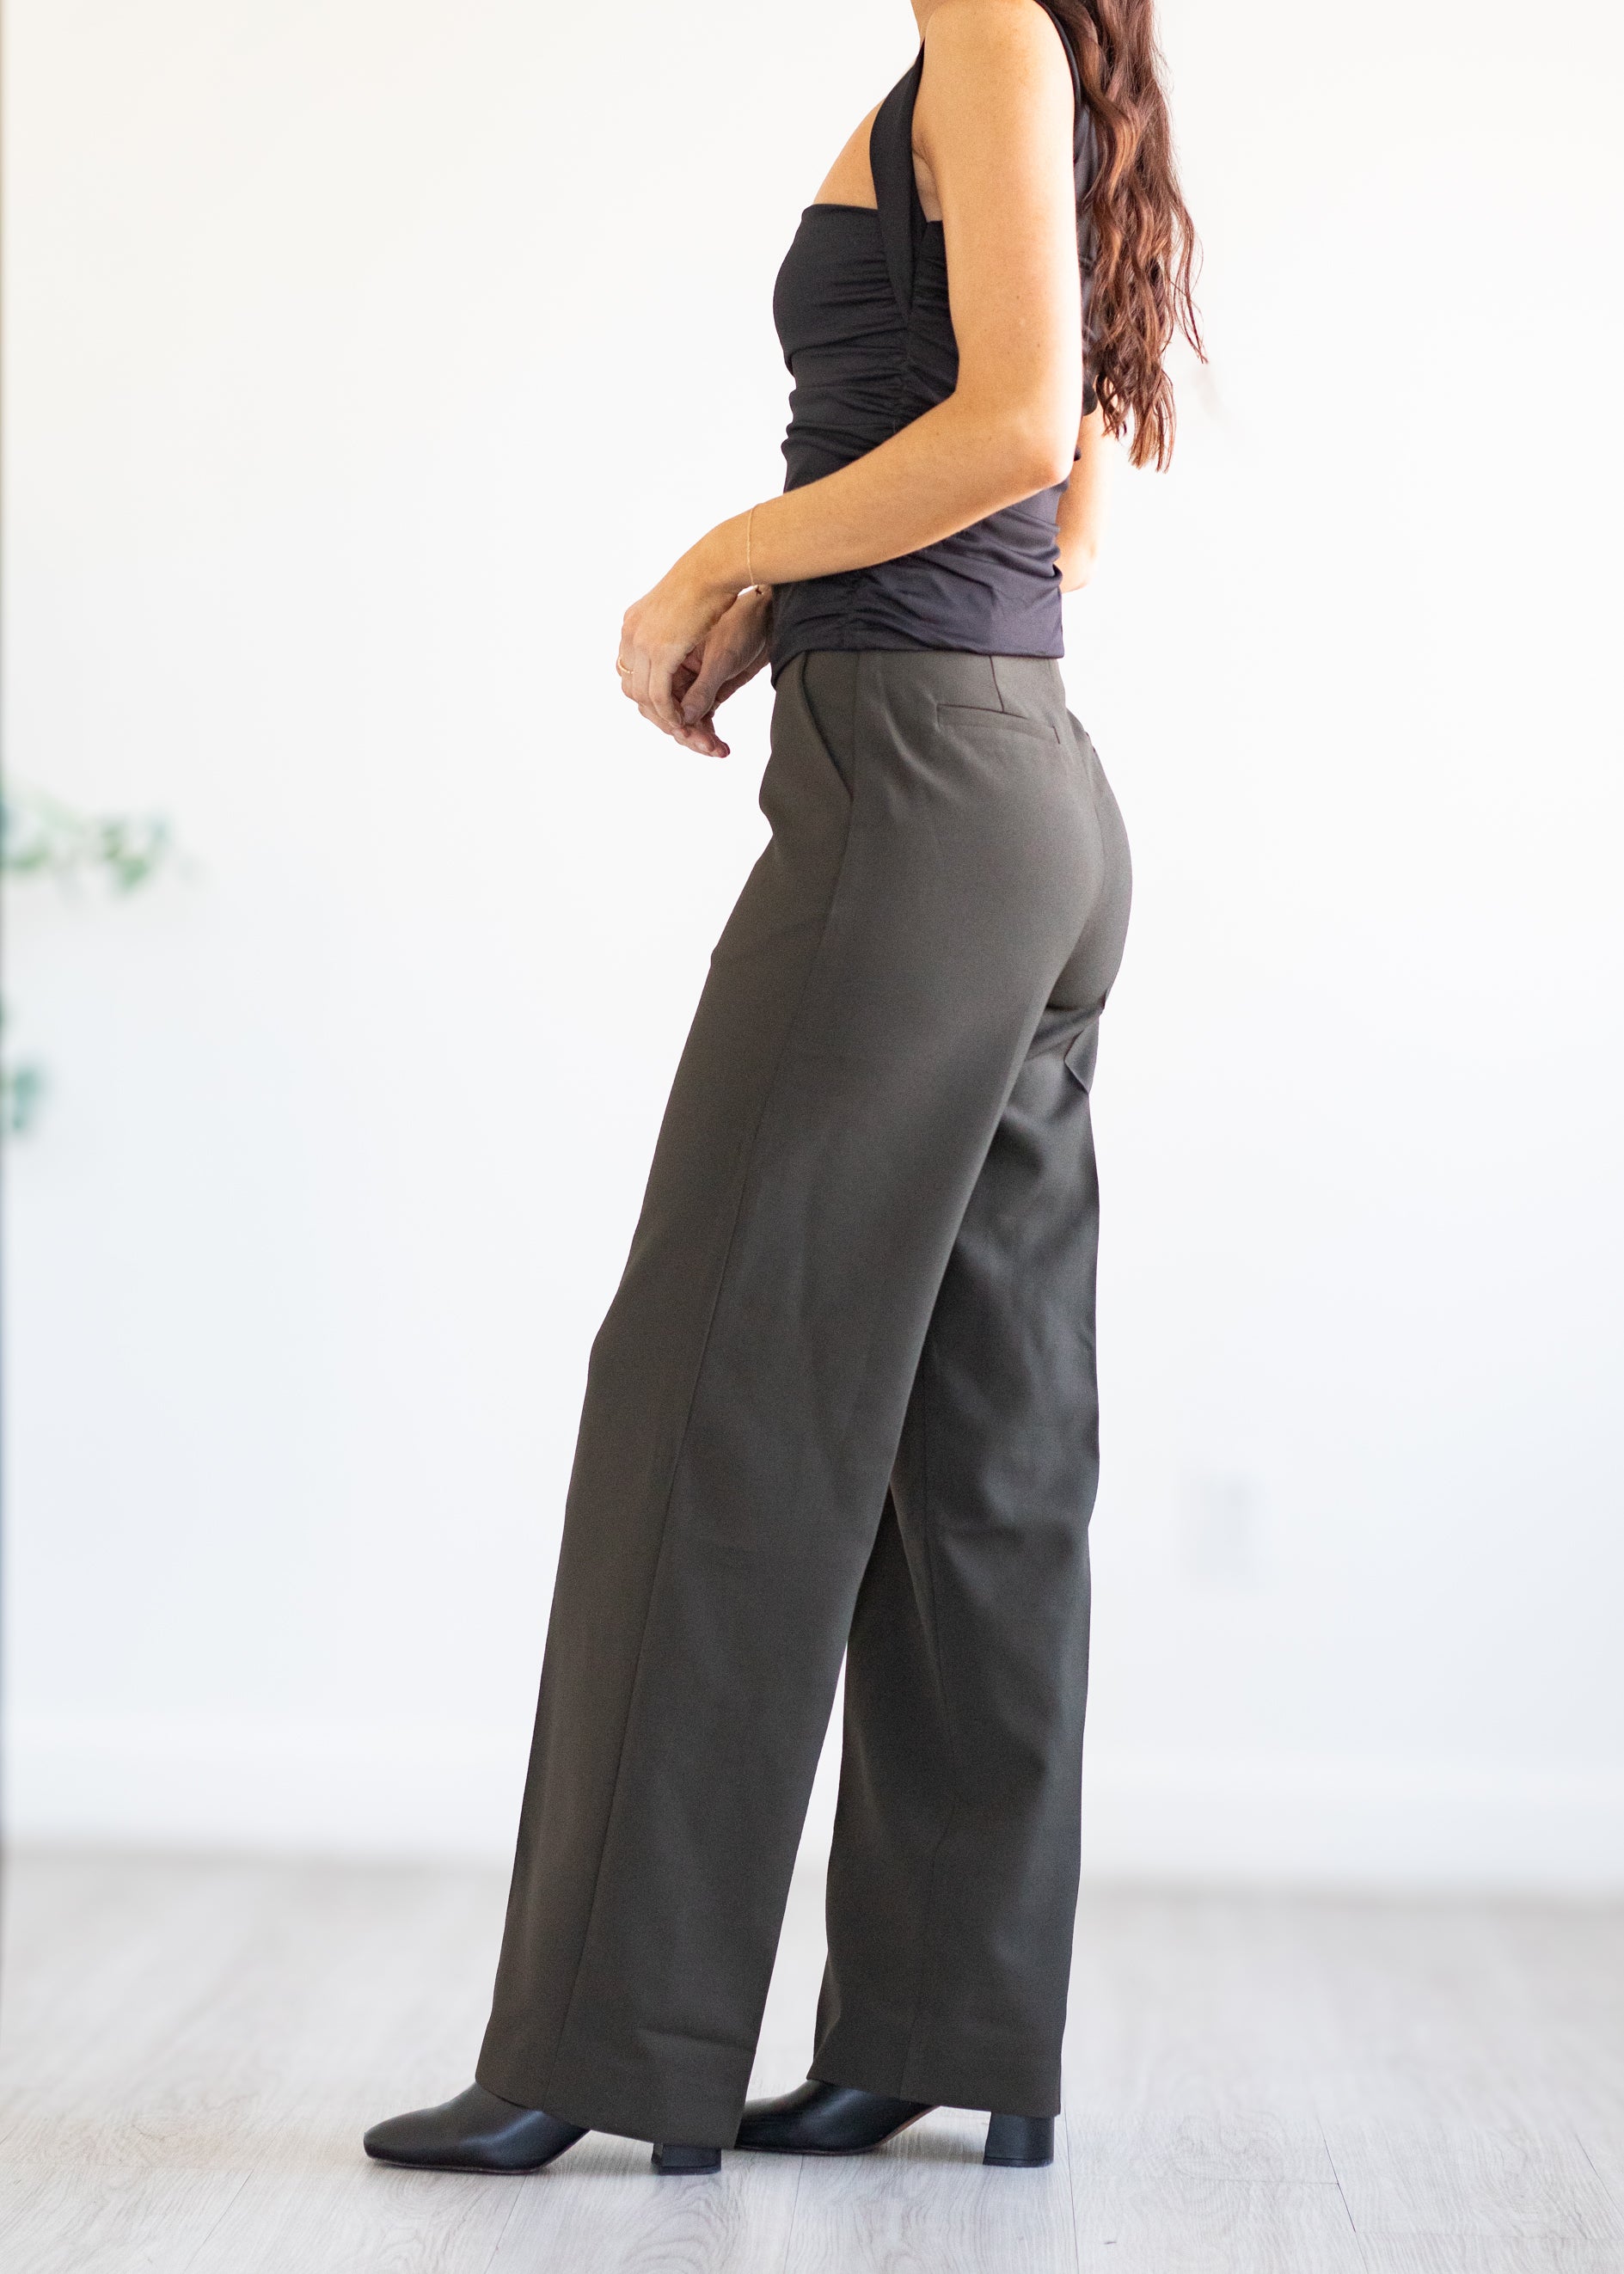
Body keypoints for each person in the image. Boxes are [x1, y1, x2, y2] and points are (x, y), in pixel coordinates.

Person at [365, 0, 1199, 2179]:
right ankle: (948, 2022)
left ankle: (596, 2049)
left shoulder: (992, 36)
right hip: (1025, 792)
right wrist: (811, 586)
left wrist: (723, 557)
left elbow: (1016, 425)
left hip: (921, 805)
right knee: (976, 1447)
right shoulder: (1031, 60)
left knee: (712, 1398)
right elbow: (1065, 516)